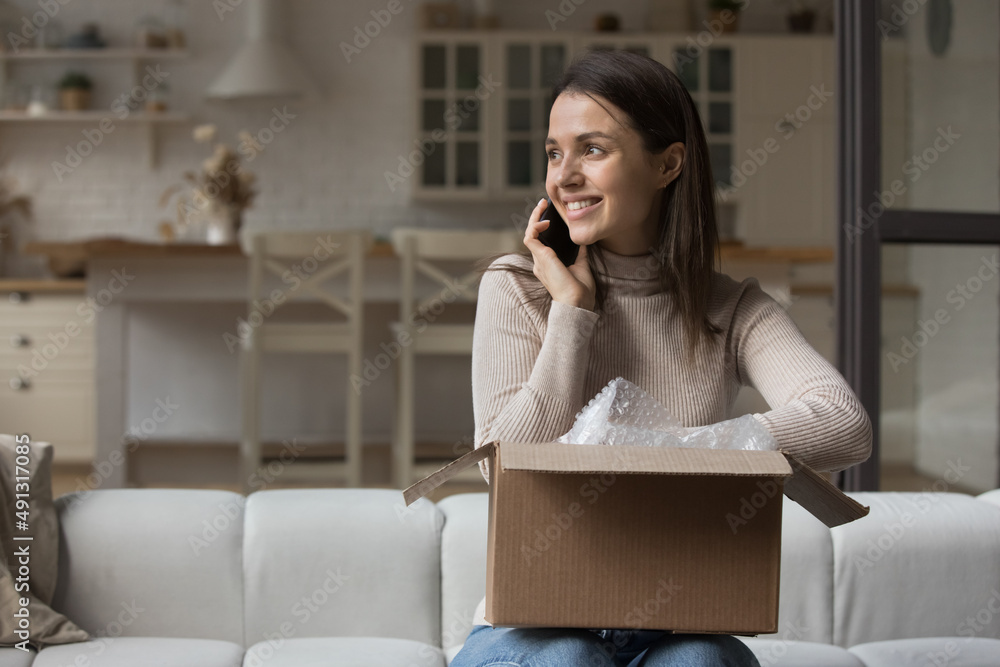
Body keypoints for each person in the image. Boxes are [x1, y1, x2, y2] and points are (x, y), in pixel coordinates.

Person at [451, 49, 872, 667]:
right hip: (535, 621)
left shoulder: (731, 310)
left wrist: (670, 453)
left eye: (592, 150)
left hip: (677, 621)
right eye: (553, 152)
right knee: (569, 657)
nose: (563, 176)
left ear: (668, 163)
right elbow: (505, 465)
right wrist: (573, 312)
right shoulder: (518, 287)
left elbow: (844, 423)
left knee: (706, 661)